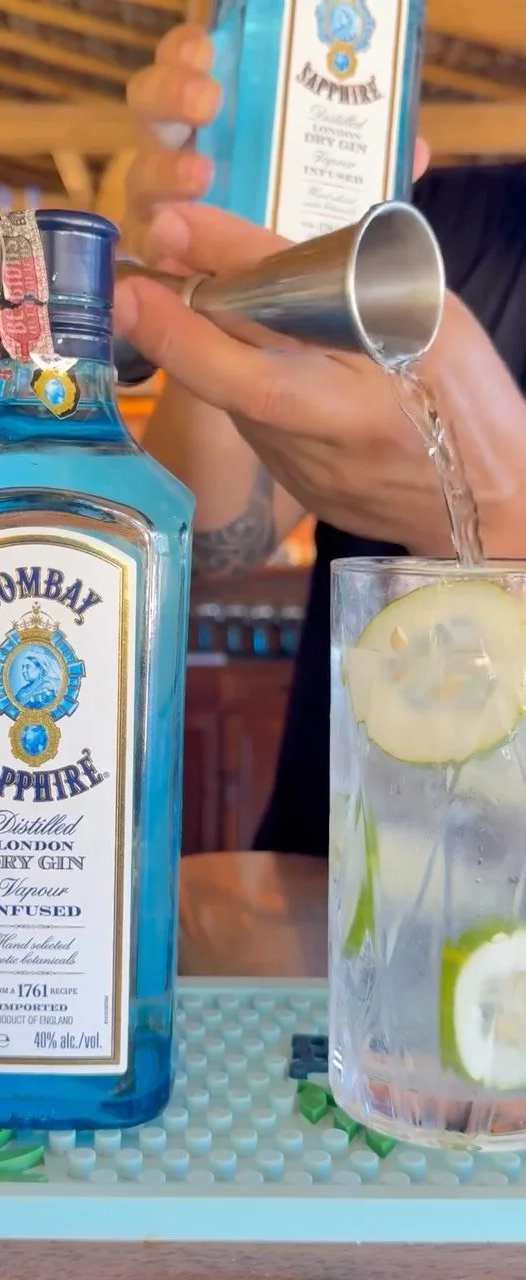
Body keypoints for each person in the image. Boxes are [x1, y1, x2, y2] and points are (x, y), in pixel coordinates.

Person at [114, 23, 526, 856]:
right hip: (325, 896)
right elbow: (205, 545)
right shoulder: (439, 238)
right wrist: (231, 279)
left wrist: (503, 517)